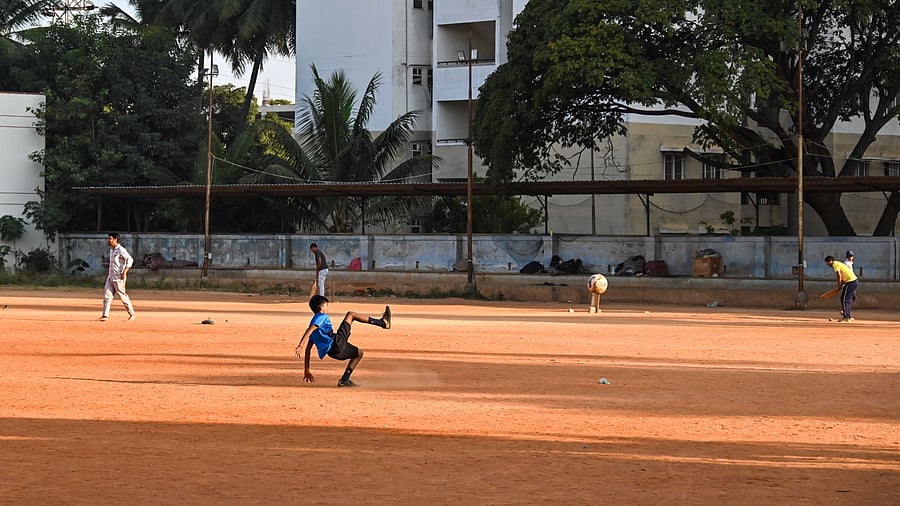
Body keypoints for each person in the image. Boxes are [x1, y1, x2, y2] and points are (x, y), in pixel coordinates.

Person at [295, 295, 391, 387]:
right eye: (326, 305)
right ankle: (383, 323)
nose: (327, 308)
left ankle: (345, 380)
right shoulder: (321, 316)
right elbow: (310, 329)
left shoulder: (314, 326)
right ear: (321, 307)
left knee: (359, 353)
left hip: (333, 353)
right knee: (351, 315)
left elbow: (308, 349)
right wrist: (300, 345)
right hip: (336, 343)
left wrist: (306, 369)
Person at [100, 233, 136, 321]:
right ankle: (105, 316)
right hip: (111, 276)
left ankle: (132, 313)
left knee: (122, 296)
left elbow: (130, 260)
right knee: (107, 296)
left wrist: (124, 272)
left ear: (115, 239)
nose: (109, 240)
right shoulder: (112, 250)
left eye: (110, 239)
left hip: (119, 277)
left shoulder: (121, 250)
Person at [825, 255, 858, 322]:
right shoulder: (838, 263)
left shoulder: (835, 265)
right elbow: (843, 277)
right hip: (852, 281)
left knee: (845, 299)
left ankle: (847, 317)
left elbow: (839, 275)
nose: (827, 264)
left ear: (831, 261)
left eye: (827, 262)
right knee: (844, 298)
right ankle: (847, 316)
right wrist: (840, 285)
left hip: (850, 282)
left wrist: (839, 286)